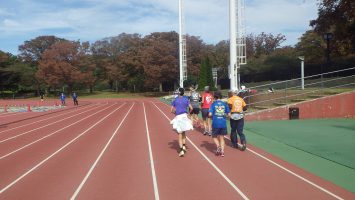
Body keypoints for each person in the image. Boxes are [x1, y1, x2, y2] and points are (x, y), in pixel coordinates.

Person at [170, 88, 193, 157]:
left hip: (179, 117)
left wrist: (176, 112)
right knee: (183, 132)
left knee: (179, 134)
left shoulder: (175, 100)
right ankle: (184, 146)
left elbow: (171, 110)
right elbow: (191, 108)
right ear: (183, 93)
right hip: (185, 116)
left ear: (178, 93)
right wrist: (188, 114)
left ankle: (181, 150)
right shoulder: (186, 99)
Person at [209, 91, 230, 157]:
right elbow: (229, 115)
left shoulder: (213, 104)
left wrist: (211, 116)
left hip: (215, 123)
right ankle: (222, 152)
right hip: (223, 123)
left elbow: (210, 114)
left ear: (215, 97)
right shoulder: (225, 104)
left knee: (214, 136)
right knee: (222, 138)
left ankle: (218, 146)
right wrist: (224, 115)